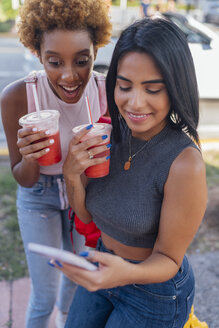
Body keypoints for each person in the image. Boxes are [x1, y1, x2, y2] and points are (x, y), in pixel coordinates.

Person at [50, 17, 207, 328]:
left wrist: (126, 273)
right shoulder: (108, 136)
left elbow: (170, 260)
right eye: (124, 86)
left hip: (155, 290)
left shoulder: (184, 162)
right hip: (103, 263)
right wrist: (71, 174)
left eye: (152, 89)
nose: (135, 103)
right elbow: (87, 215)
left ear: (175, 88)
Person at [0, 0, 111, 327]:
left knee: (76, 285)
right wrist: (32, 155)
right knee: (44, 295)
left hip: (87, 192)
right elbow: (23, 179)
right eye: (54, 62)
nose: (69, 75)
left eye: (82, 60)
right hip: (40, 196)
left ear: (96, 49)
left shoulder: (105, 92)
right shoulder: (18, 97)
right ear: (37, 53)